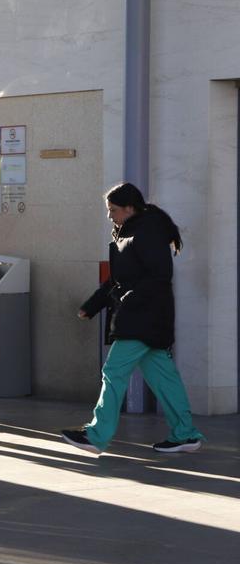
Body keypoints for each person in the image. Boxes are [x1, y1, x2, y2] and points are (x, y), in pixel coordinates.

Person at [61, 183, 205, 455]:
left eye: (113, 210)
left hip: (142, 317)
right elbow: (116, 281)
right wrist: (91, 306)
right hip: (147, 317)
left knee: (113, 372)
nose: (109, 216)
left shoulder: (146, 231)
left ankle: (96, 434)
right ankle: (185, 433)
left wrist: (128, 301)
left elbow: (159, 275)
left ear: (130, 208)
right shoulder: (128, 232)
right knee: (164, 378)